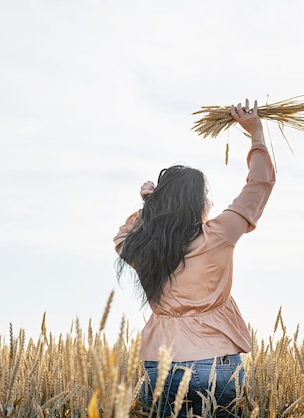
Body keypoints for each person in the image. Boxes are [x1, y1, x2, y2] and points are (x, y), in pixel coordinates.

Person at [113, 99, 275, 417]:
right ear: (199, 203)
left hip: (160, 362)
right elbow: (260, 184)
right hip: (217, 361)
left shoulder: (143, 248)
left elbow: (122, 237)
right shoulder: (219, 234)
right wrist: (256, 135)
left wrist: (149, 206)